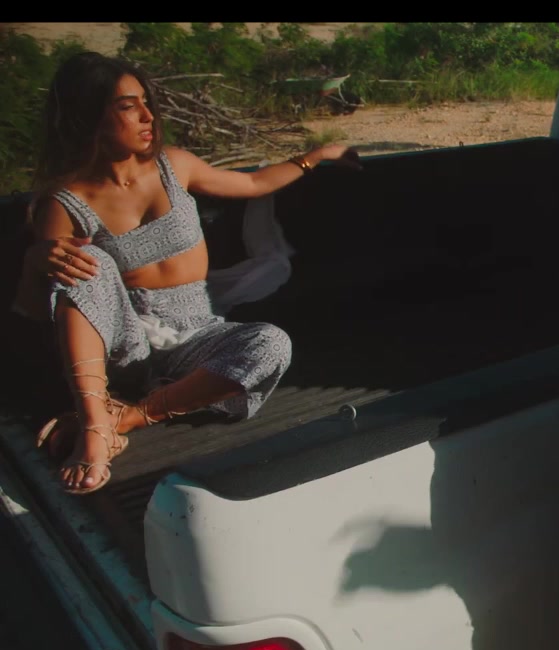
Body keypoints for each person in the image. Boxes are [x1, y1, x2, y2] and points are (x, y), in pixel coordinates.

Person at [12, 51, 361, 495]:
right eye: (128, 106)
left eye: (147, 102)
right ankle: (97, 429)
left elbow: (252, 184)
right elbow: (40, 311)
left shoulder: (173, 164)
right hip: (125, 342)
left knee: (272, 342)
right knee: (87, 261)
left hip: (196, 333)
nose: (148, 116)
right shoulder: (63, 202)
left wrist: (319, 155)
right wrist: (35, 261)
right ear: (88, 116)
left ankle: (128, 417)